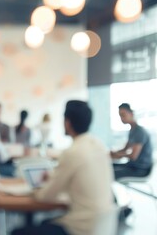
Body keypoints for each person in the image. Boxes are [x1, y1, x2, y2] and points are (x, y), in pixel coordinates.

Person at [12, 100, 114, 235]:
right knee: (44, 224)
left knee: (17, 232)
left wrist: (35, 189)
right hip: (103, 226)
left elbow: (45, 196)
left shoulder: (73, 152)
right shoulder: (99, 146)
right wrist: (53, 178)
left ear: (67, 122)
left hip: (80, 229)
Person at [111, 103, 153, 180]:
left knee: (108, 172)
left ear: (131, 114)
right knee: (108, 166)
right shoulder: (132, 130)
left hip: (140, 169)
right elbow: (125, 149)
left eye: (123, 115)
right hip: (131, 165)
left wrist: (118, 155)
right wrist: (112, 153)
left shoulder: (139, 131)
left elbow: (133, 156)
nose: (121, 118)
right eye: (120, 115)